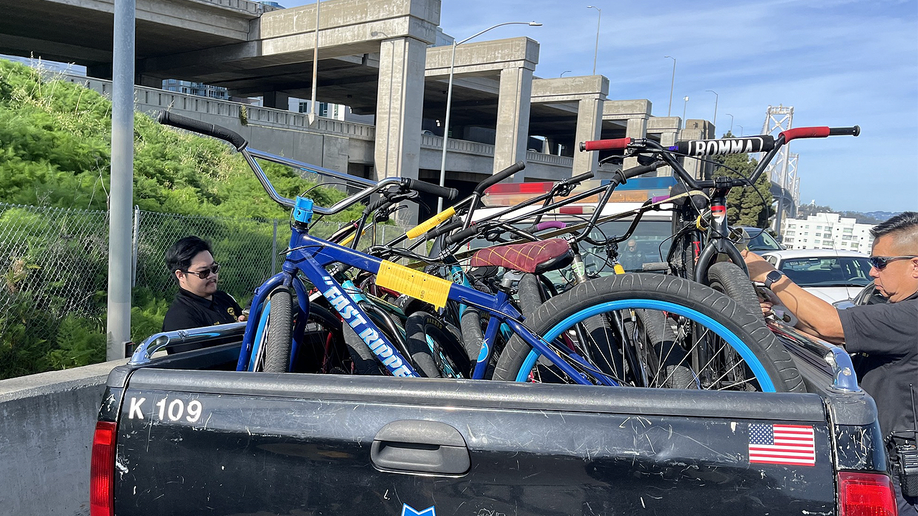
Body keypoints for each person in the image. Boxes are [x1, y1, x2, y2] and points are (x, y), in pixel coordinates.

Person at [743, 212, 918, 514]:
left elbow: (829, 324)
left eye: (880, 263)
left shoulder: (911, 317)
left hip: (901, 478)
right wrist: (775, 315)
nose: (872, 272)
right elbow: (828, 336)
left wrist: (770, 275)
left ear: (915, 264)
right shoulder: (898, 308)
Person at [162, 236, 246, 339]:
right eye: (203, 272)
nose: (212, 275)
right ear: (181, 275)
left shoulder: (223, 298)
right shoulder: (180, 318)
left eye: (214, 268)